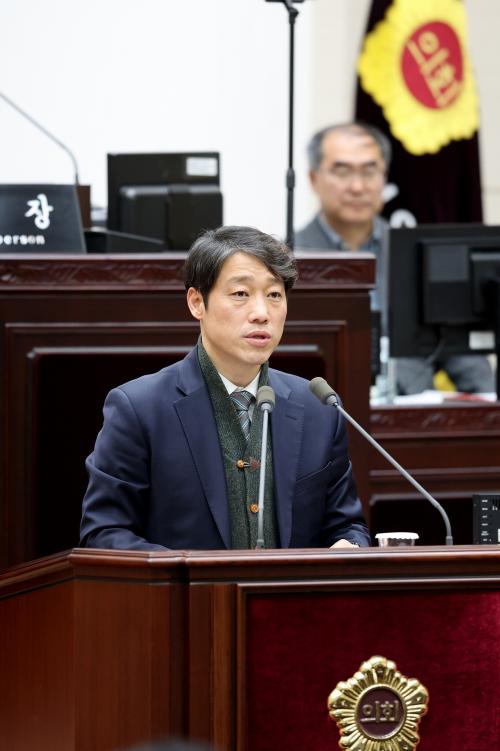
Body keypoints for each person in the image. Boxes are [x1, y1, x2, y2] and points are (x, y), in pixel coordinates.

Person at [80, 225, 370, 551]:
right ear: (196, 303)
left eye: (274, 295)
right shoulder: (139, 409)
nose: (261, 313)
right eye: (240, 294)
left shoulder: (319, 408)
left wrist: (348, 545)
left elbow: (347, 524)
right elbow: (104, 533)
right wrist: (187, 572)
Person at [295, 122, 495, 395]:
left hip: (412, 412)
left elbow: (465, 358)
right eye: (342, 171)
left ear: (384, 176)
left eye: (369, 171)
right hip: (324, 408)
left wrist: (488, 405)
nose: (357, 186)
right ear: (313, 178)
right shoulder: (288, 258)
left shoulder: (417, 255)